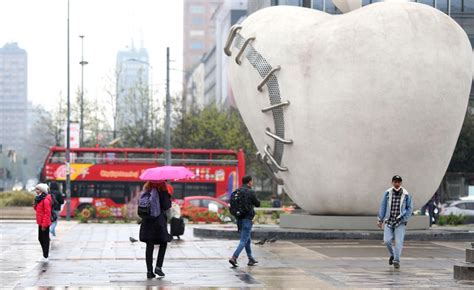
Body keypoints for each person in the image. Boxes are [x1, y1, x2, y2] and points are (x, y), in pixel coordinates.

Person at [377, 175, 413, 269]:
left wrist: (405, 218)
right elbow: (383, 206)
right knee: (387, 240)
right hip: (389, 220)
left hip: (400, 221)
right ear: (392, 182)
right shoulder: (387, 193)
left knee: (398, 242)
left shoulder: (406, 194)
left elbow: (410, 208)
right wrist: (380, 220)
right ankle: (393, 255)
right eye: (395, 182)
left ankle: (396, 260)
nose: (397, 184)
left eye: (398, 182)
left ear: (401, 183)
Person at [138, 181, 172, 279]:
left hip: (147, 221)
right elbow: (166, 206)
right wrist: (168, 197)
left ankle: (149, 271)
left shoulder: (147, 190)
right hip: (158, 222)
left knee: (149, 245)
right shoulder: (163, 191)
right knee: (163, 243)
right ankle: (158, 267)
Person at [229, 175, 261, 267]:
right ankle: (234, 257)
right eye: (252, 181)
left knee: (247, 239)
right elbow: (257, 204)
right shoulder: (250, 192)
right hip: (247, 218)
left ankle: (250, 258)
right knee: (243, 240)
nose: (252, 183)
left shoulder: (237, 191)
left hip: (239, 218)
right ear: (249, 182)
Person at [33, 183, 52, 262]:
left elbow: (47, 213)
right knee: (40, 238)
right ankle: (45, 254)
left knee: (44, 239)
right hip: (40, 222)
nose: (36, 191)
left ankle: (45, 256)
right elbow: (38, 210)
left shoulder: (45, 199)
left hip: (44, 223)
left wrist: (44, 225)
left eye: (38, 189)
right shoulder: (39, 198)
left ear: (42, 190)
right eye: (36, 189)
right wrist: (35, 204)